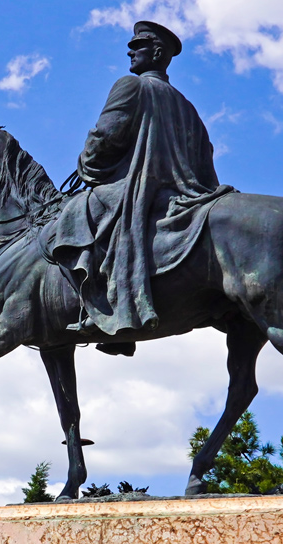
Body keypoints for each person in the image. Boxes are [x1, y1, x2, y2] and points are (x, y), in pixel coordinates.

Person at [47, 21, 233, 352]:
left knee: (78, 210)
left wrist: (87, 165)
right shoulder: (189, 109)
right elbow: (207, 159)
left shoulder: (131, 86)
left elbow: (106, 137)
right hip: (187, 195)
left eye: (139, 46)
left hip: (139, 188)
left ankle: (103, 308)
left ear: (158, 53)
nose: (130, 51)